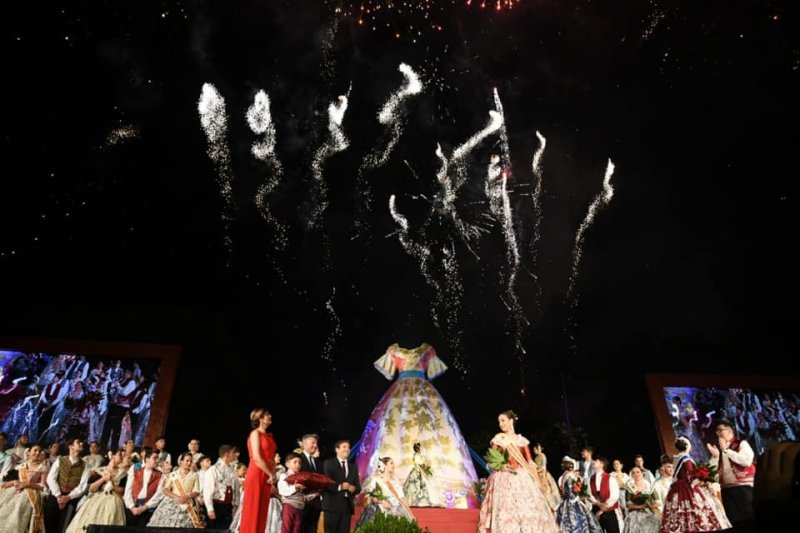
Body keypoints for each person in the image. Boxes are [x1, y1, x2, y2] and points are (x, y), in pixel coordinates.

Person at [354, 344, 478, 507]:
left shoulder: (428, 350)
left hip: (425, 396)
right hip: (399, 396)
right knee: (392, 431)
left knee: (433, 429)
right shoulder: (393, 351)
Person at [477, 410, 559, 533]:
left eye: (503, 420)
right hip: (503, 478)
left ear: (511, 421)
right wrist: (500, 467)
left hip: (522, 477)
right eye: (499, 421)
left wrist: (538, 470)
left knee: (527, 508)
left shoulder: (522, 440)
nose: (500, 424)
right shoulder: (498, 439)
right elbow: (490, 461)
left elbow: (529, 461)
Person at [660, 436, 731, 532]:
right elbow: (692, 476)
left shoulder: (677, 458)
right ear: (688, 445)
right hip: (688, 488)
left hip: (677, 489)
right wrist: (703, 482)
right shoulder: (686, 459)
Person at [706, 420, 755, 533]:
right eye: (717, 431)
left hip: (742, 487)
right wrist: (714, 457)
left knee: (749, 519)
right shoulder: (721, 450)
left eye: (720, 430)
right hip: (726, 489)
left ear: (729, 431)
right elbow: (712, 472)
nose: (718, 433)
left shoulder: (741, 443)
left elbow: (746, 461)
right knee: (734, 521)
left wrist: (727, 450)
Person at [65, 450, 127, 533]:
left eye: (123, 456)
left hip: (113, 500)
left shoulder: (123, 473)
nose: (122, 457)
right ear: (113, 456)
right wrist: (103, 479)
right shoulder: (100, 470)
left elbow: (122, 490)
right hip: (96, 498)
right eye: (120, 455)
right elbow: (91, 488)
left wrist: (110, 483)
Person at [239, 408, 277, 533]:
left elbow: (271, 459)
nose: (270, 415)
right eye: (267, 414)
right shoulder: (255, 433)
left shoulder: (269, 436)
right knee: (253, 510)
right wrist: (271, 473)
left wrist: (274, 474)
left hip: (267, 475)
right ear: (260, 418)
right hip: (256, 473)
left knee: (262, 512)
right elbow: (256, 457)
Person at [0, 444, 49, 533]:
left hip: (31, 494)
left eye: (39, 451)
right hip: (16, 492)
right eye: (35, 450)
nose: (37, 453)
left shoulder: (42, 468)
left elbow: (42, 486)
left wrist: (27, 484)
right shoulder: (20, 466)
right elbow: (8, 482)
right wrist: (14, 482)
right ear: (28, 453)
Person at [355, 457, 415, 530]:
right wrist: (381, 501)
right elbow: (369, 497)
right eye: (391, 463)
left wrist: (411, 514)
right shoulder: (376, 480)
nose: (393, 465)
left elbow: (401, 498)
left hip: (397, 510)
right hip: (381, 510)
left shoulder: (395, 481)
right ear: (384, 465)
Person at [44, 438, 90, 533]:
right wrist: (58, 496)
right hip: (56, 495)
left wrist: (69, 497)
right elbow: (51, 479)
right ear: (71, 447)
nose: (81, 443)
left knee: (66, 524)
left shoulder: (85, 465)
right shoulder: (60, 460)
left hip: (72, 498)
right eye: (78, 442)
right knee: (49, 518)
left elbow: (83, 485)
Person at [147, 452, 203, 527]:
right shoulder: (173, 474)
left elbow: (197, 491)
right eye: (187, 461)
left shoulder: (195, 475)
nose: (189, 463)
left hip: (188, 503)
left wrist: (187, 496)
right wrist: (177, 497)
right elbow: (165, 489)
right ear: (181, 461)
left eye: (191, 461)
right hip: (173, 502)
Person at [322, 439, 361, 533]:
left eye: (348, 447)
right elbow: (325, 483)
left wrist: (353, 488)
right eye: (344, 447)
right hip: (332, 507)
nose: (347, 449)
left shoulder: (353, 467)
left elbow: (358, 488)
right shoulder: (328, 464)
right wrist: (340, 486)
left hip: (346, 507)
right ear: (337, 449)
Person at [555, 456, 602, 533]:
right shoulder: (573, 476)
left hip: (565, 503)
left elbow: (563, 493)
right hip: (574, 503)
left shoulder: (561, 478)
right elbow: (580, 492)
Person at [278, 452, 319, 533]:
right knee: (286, 529)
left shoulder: (302, 478)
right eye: (295, 462)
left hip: (300, 508)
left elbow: (303, 497)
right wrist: (295, 487)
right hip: (289, 506)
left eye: (299, 463)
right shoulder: (285, 476)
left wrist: (314, 494)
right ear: (287, 464)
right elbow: (282, 490)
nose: (298, 465)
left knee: (297, 530)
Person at [204, 445, 241, 531]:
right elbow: (208, 491)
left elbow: (235, 489)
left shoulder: (232, 470)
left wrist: (235, 504)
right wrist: (210, 508)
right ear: (227, 454)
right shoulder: (213, 469)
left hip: (228, 507)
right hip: (217, 505)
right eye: (233, 453)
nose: (235, 455)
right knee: (215, 529)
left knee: (226, 529)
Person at [123, 449, 164, 526]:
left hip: (148, 508)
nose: (157, 460)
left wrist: (145, 507)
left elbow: (159, 494)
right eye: (155, 458)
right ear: (147, 459)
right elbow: (128, 489)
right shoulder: (135, 469)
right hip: (133, 505)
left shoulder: (160, 474)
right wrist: (132, 507)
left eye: (158, 458)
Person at [402, 442, 443, 507]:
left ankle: (428, 500)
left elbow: (425, 463)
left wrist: (426, 467)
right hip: (417, 472)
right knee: (416, 485)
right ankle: (415, 501)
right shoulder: (416, 455)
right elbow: (419, 464)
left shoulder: (421, 455)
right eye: (420, 447)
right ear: (418, 449)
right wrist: (423, 471)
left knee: (428, 483)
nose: (421, 449)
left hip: (422, 470)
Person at [589, 457, 623, 533]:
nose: (593, 462)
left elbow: (614, 495)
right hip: (596, 510)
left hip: (609, 511)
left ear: (601, 464)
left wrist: (602, 509)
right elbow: (589, 494)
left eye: (596, 461)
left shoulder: (610, 478)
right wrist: (598, 503)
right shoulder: (591, 479)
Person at [622, 466, 661, 533]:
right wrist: (642, 506)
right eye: (633, 473)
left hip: (650, 511)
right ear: (631, 475)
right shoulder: (630, 487)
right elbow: (629, 505)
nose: (636, 474)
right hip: (635, 512)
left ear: (642, 473)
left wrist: (651, 505)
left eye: (638, 472)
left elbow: (658, 502)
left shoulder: (650, 486)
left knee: (656, 520)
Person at [533, 442, 562, 512]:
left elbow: (543, 467)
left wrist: (535, 471)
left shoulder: (542, 456)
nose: (534, 451)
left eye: (535, 449)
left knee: (548, 491)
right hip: (538, 475)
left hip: (543, 475)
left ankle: (553, 507)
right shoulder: (536, 458)